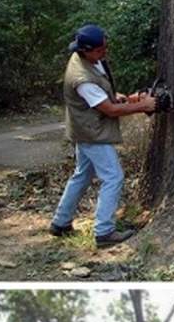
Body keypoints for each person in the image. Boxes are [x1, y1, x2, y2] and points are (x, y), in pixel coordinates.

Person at [50, 23, 157, 247]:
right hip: (92, 134)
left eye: (105, 47)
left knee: (82, 175)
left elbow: (106, 98)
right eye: (99, 50)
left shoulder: (89, 60)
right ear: (85, 50)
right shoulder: (82, 78)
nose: (104, 52)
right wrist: (143, 105)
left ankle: (60, 222)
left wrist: (125, 97)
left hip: (85, 130)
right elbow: (109, 109)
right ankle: (104, 232)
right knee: (114, 177)